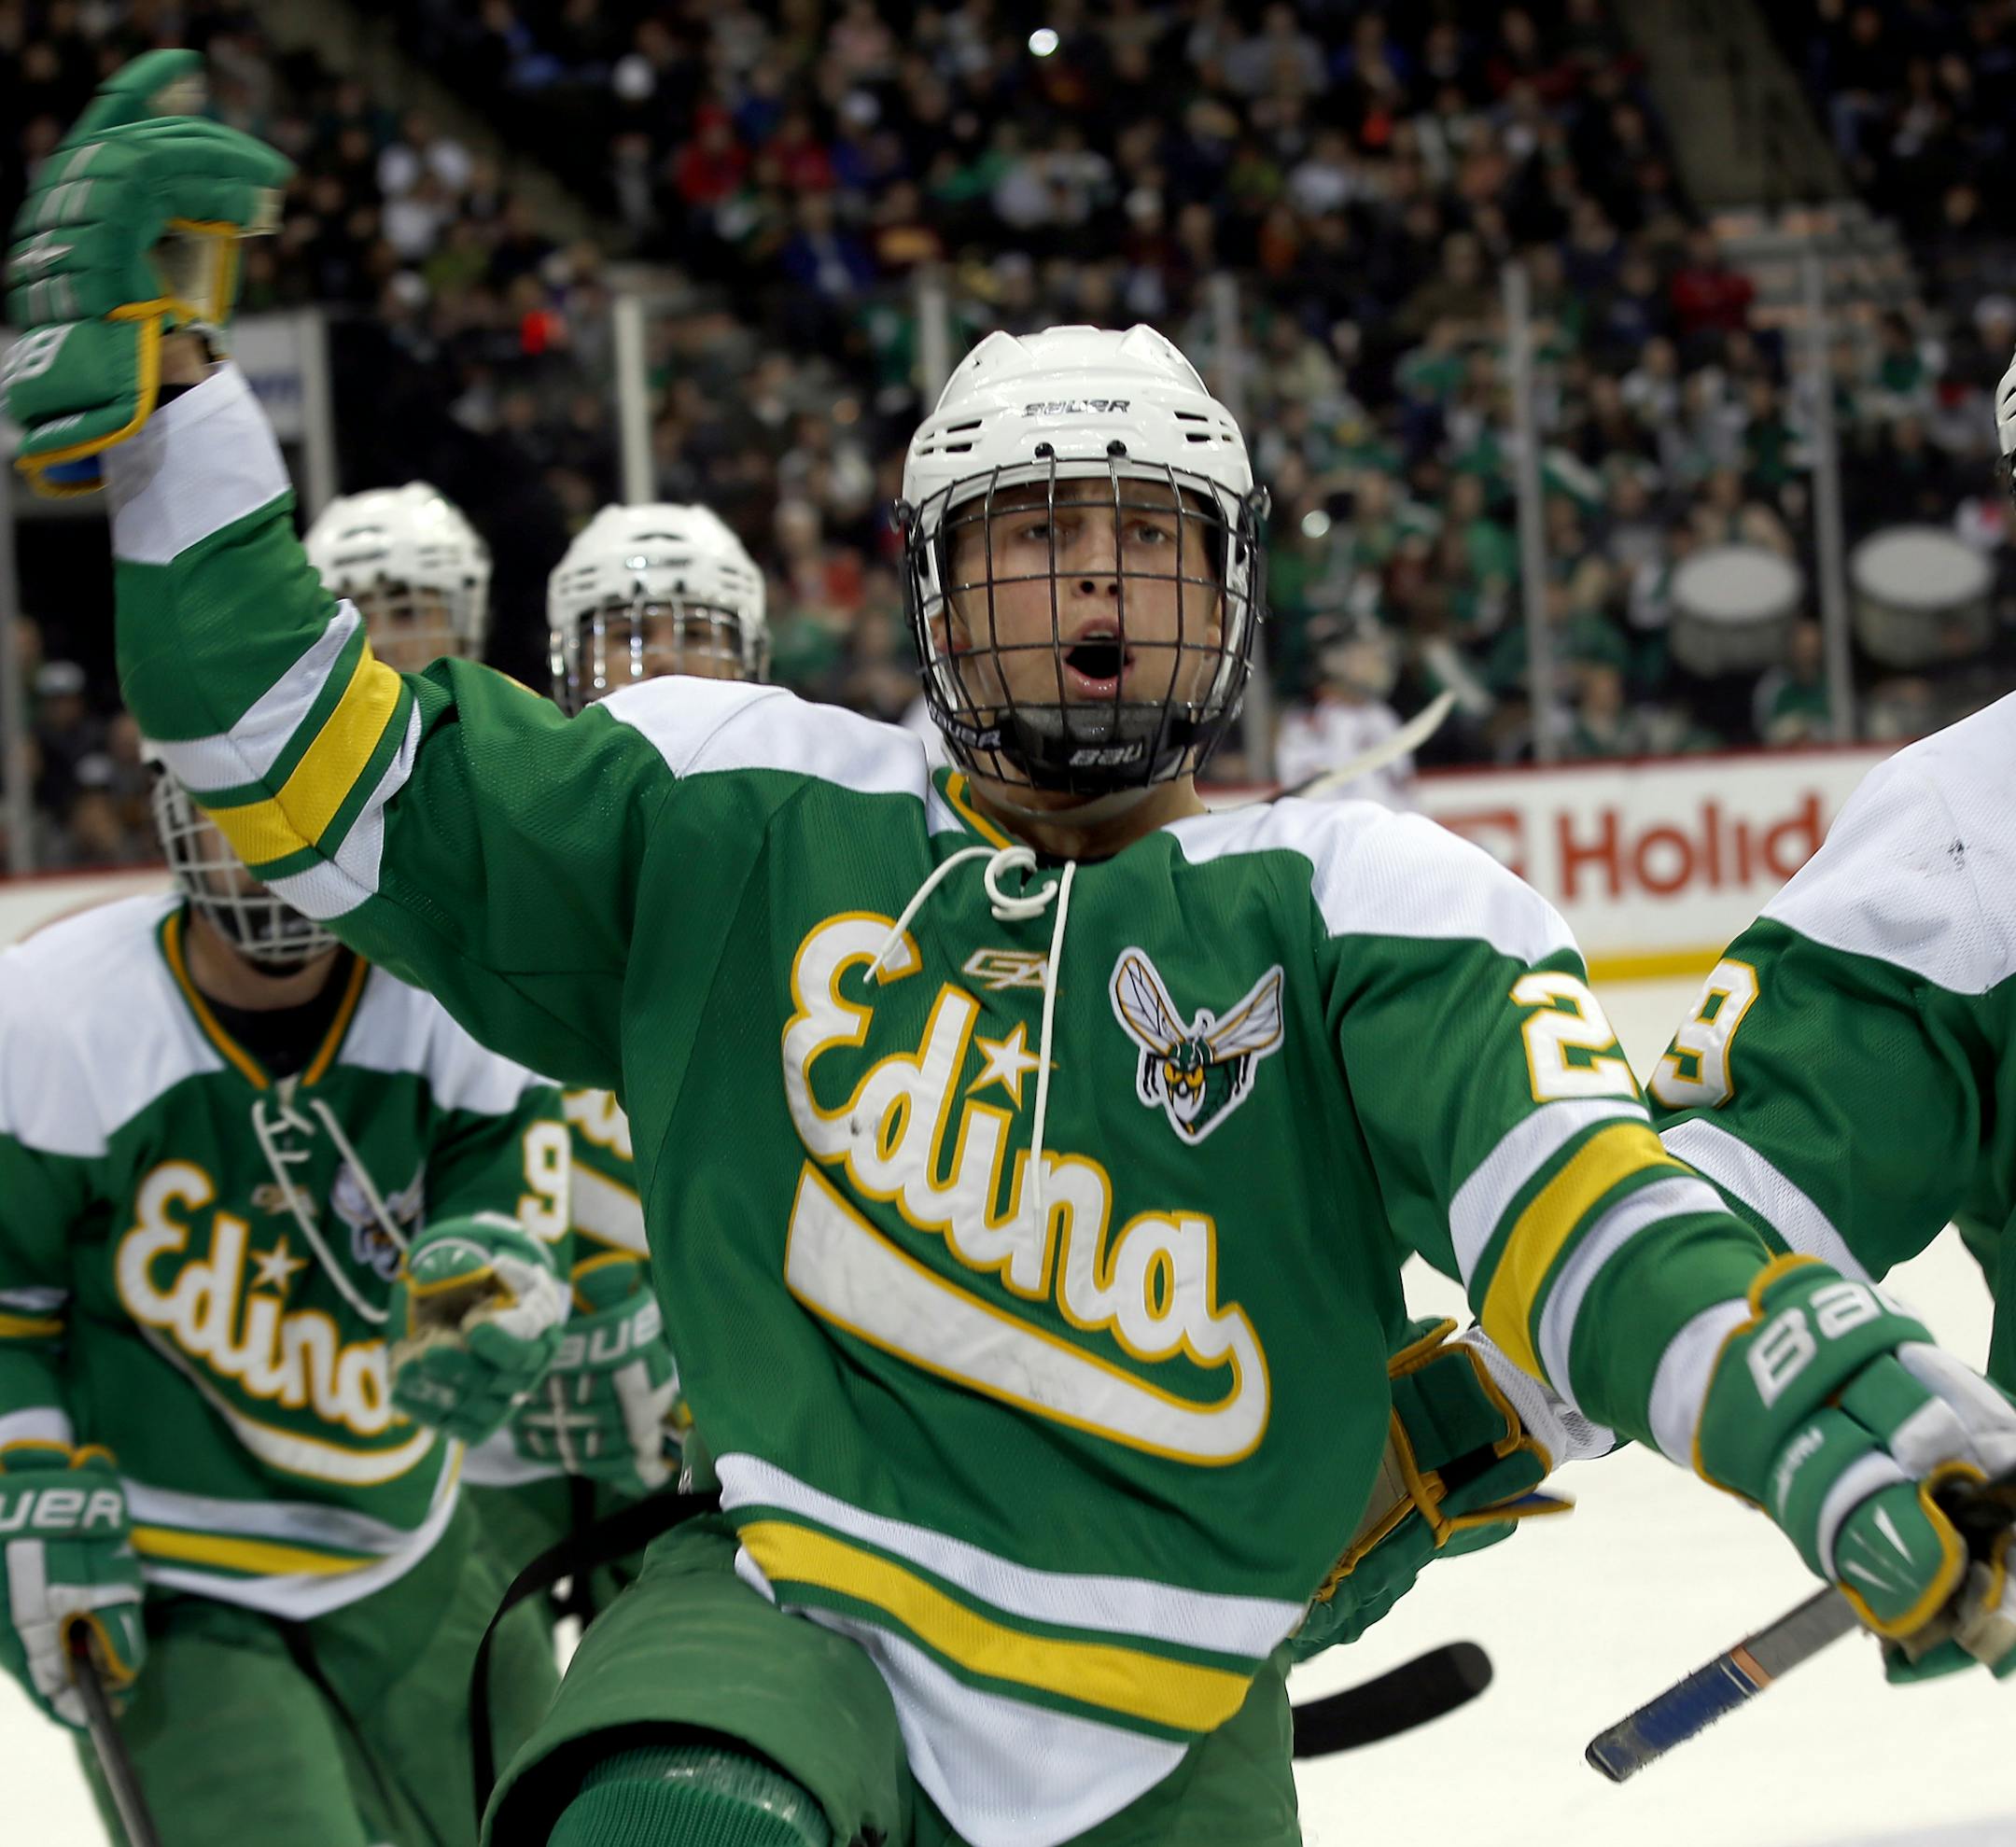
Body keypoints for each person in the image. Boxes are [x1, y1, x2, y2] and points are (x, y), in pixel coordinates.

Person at [11, 58, 2016, 1847]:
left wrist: (1836, 1414)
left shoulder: (1370, 903)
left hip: (1174, 1678)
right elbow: (316, 761)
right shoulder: (735, 807)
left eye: (1142, 546)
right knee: (671, 1814)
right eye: (1033, 543)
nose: (1090, 596)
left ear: (1226, 596)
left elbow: (1593, 1212)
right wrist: (187, 429)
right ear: (928, 589)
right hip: (795, 1587)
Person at [0, 748, 573, 1843]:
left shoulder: (444, 981)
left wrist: (480, 1302)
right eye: (234, 803)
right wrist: (24, 1471)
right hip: (176, 1575)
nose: (271, 845)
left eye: (301, 798)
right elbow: (9, 1301)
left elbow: (496, 1203)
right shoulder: (57, 1017)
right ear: (173, 808)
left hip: (408, 1541)